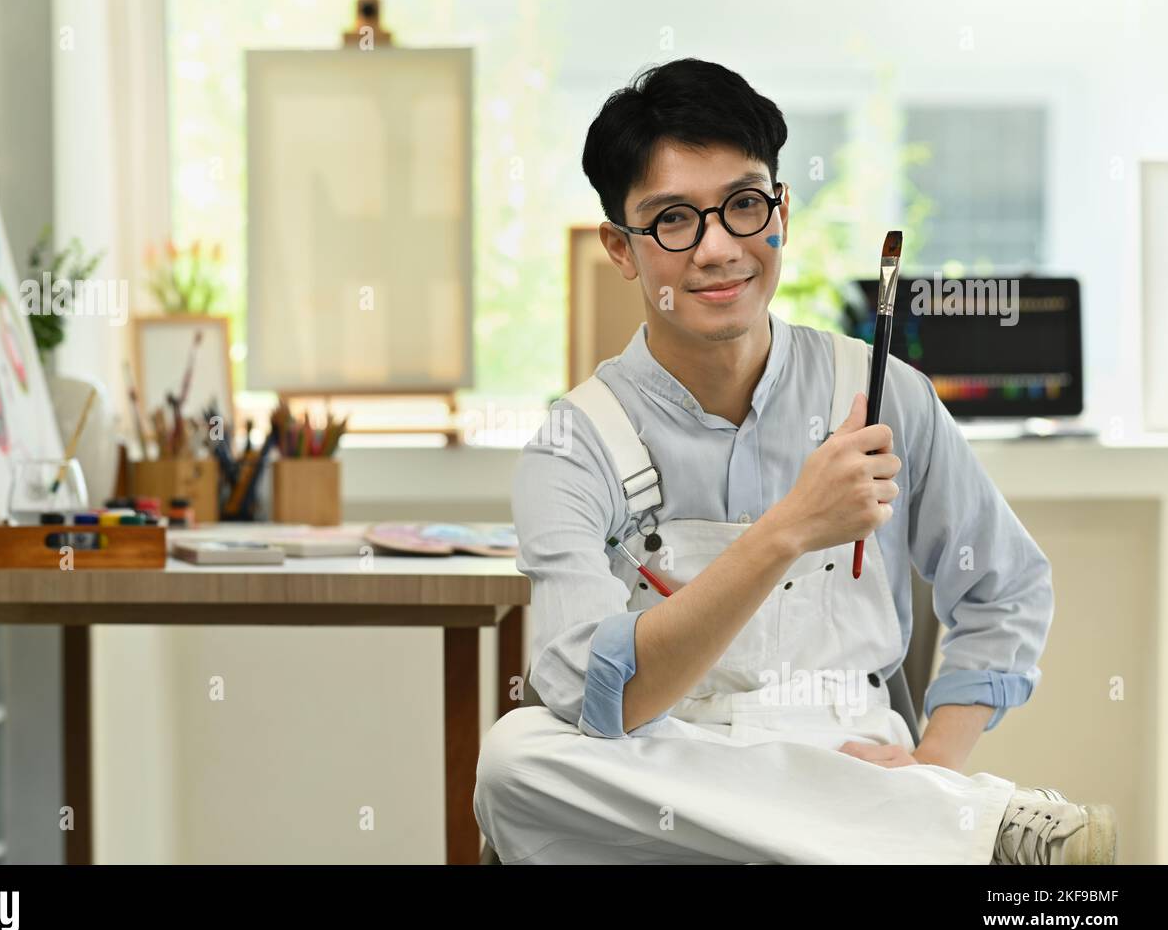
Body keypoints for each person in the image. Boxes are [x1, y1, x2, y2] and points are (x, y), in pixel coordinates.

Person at [473, 58, 1116, 864]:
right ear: (621, 247)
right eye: (674, 219)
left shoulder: (884, 395)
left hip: (848, 754)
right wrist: (789, 529)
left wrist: (931, 765)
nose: (718, 250)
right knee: (517, 758)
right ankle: (963, 831)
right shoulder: (574, 446)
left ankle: (909, 818)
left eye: (744, 206)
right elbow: (595, 697)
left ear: (781, 213)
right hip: (666, 775)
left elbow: (1007, 590)